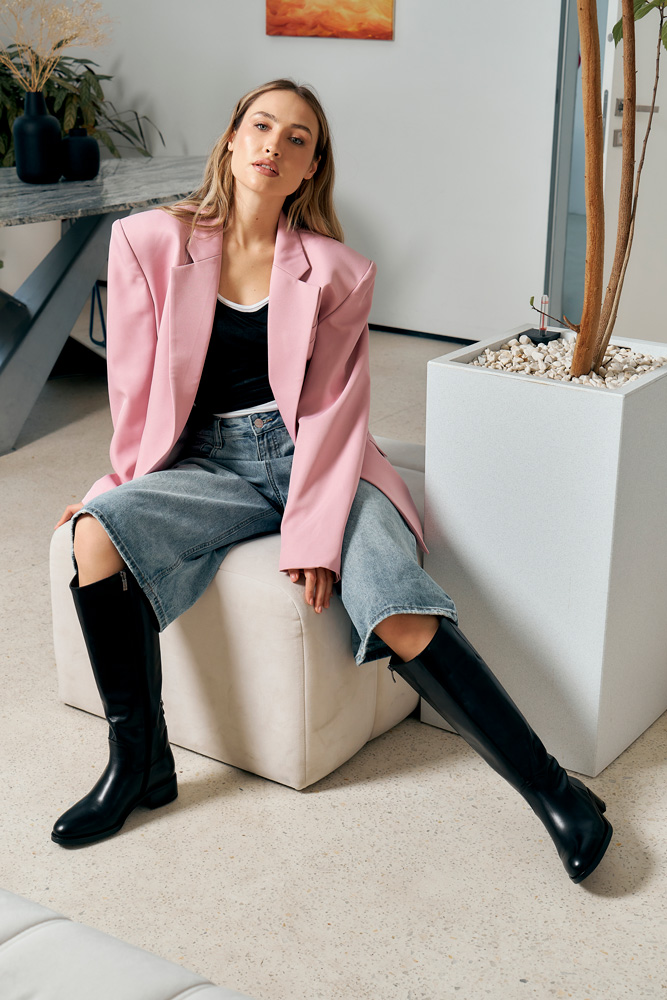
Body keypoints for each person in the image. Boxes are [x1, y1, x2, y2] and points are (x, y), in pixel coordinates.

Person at [51, 79, 612, 883]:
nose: (273, 146)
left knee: (396, 608)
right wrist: (117, 488)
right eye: (261, 126)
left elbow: (332, 413)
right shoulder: (147, 241)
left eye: (298, 139)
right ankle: (138, 765)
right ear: (232, 139)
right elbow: (134, 390)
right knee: (93, 537)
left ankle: (557, 795)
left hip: (317, 458)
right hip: (207, 461)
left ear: (311, 168)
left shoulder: (337, 272)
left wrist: (313, 535)